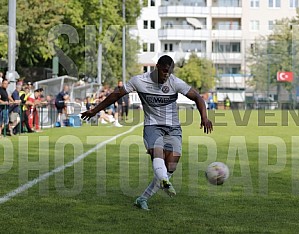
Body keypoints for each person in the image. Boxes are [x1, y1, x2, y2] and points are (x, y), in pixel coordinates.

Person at [81, 55, 213, 210]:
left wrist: (204, 117)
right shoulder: (140, 81)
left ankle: (143, 198)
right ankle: (164, 180)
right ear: (157, 66)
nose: (166, 75)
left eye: (169, 72)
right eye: (164, 71)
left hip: (173, 127)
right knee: (157, 153)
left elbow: (197, 97)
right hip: (152, 125)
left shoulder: (175, 82)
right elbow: (116, 94)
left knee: (171, 165)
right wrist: (94, 111)